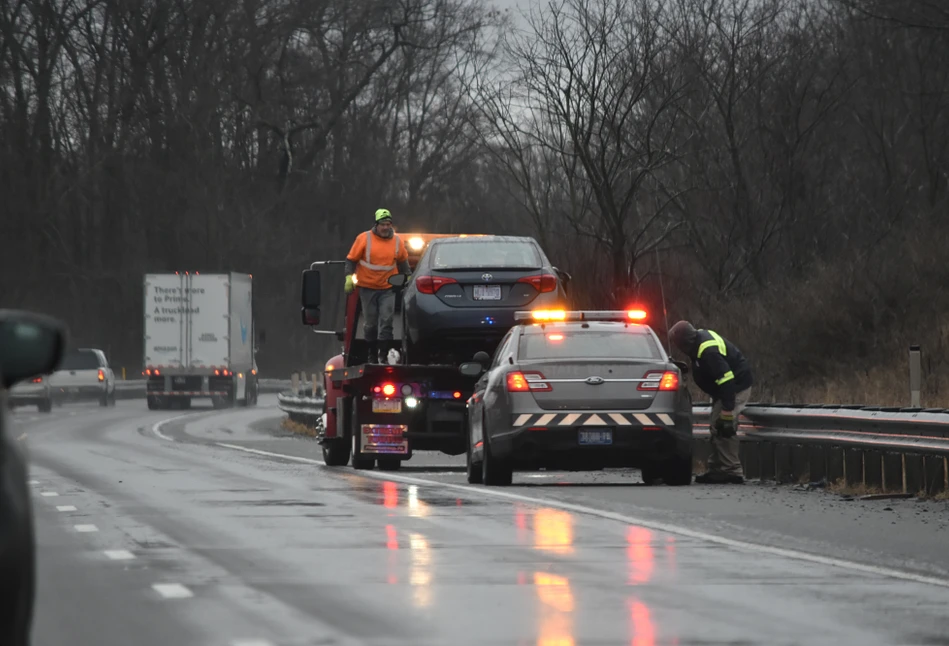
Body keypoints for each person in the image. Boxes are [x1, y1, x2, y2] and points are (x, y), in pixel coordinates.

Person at [668, 320, 754, 484]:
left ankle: (732, 471)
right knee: (717, 426)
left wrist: (727, 410)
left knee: (723, 426)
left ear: (684, 342)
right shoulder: (697, 341)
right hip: (724, 390)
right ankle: (717, 469)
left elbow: (726, 379)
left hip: (735, 388)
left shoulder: (708, 351)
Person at [344, 209, 410, 363]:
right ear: (376, 225)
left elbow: (403, 262)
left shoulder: (397, 241)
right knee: (370, 324)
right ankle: (372, 353)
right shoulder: (364, 238)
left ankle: (383, 354)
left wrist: (408, 276)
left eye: (388, 224)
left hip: (387, 289)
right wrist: (348, 277)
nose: (386, 227)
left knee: (387, 321)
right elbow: (351, 260)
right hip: (367, 288)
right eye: (383, 224)